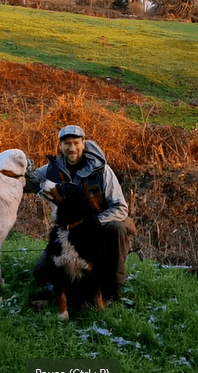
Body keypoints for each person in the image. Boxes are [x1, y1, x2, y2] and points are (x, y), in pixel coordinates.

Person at [27, 125, 133, 303]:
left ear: (84, 143)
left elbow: (120, 208)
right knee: (40, 273)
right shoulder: (51, 170)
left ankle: (112, 290)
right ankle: (65, 289)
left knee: (118, 227)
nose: (72, 148)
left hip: (100, 229)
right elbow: (26, 181)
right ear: (60, 146)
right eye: (67, 143)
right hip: (68, 231)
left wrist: (91, 223)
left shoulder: (102, 170)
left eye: (76, 142)